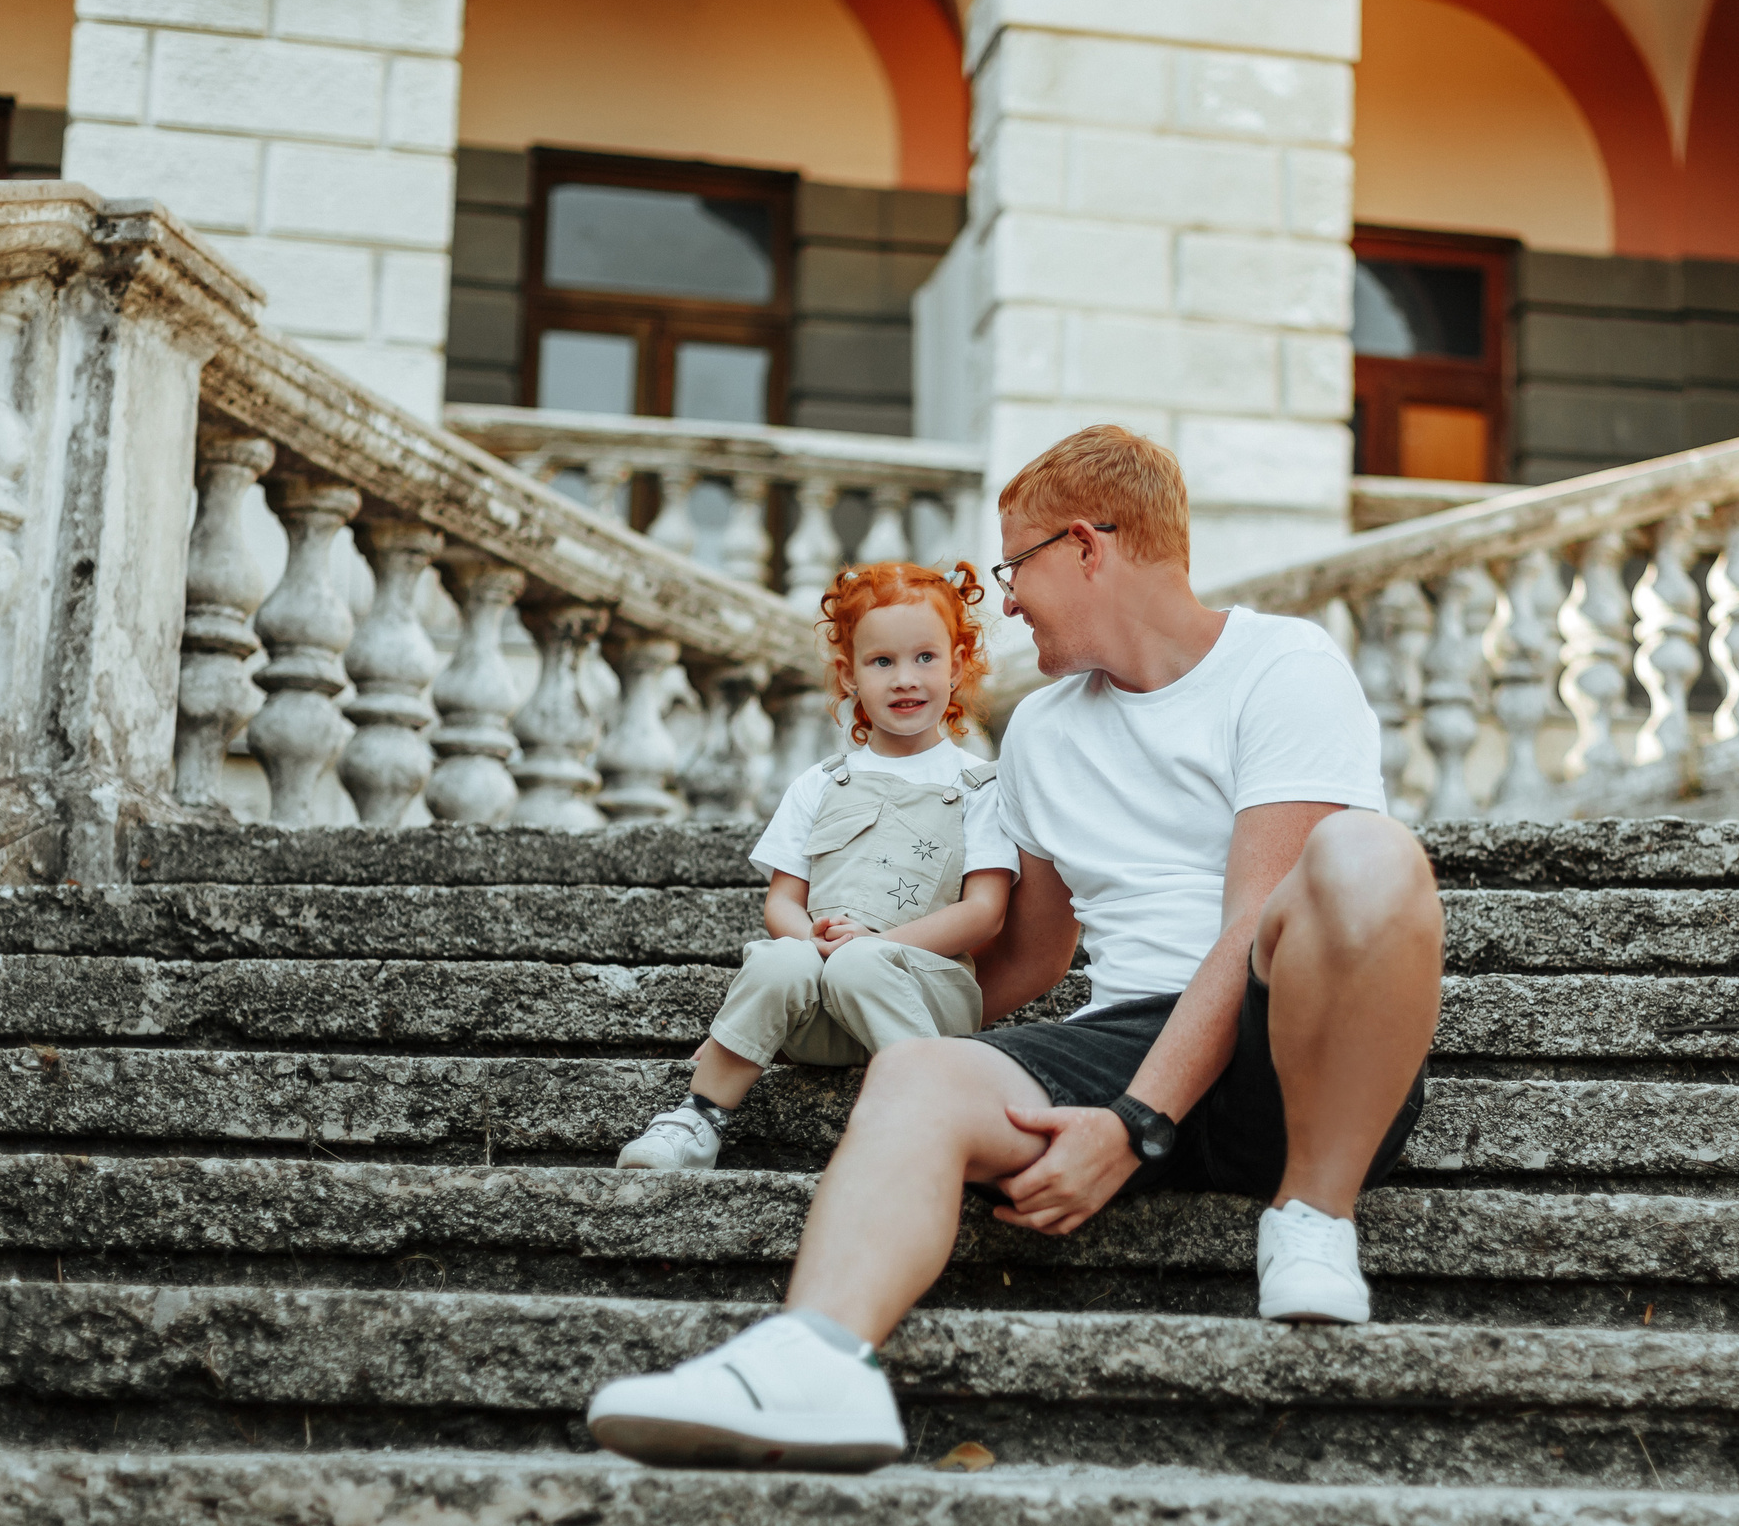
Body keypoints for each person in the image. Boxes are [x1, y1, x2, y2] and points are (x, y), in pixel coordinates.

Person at [585, 426, 1445, 1473]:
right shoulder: (1039, 732)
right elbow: (1031, 962)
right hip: (1125, 1038)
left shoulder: (1283, 664)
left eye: (1014, 565)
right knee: (918, 1070)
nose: (1005, 600)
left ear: (1086, 547)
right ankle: (815, 1361)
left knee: (1365, 853)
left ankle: (1312, 1213)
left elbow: (1248, 921)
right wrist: (849, 1009)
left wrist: (1134, 1128)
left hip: (1296, 1045)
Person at [613, 560, 1016, 1175]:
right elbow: (781, 904)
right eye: (882, 662)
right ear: (849, 674)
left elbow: (985, 913)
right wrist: (815, 945)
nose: (905, 678)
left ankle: (943, 1110)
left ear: (958, 664)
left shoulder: (978, 787)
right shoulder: (822, 784)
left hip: (917, 1002)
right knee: (779, 957)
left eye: (926, 658)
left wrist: (876, 946)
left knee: (861, 961)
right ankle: (697, 1120)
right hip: (820, 1011)